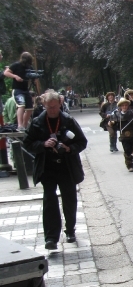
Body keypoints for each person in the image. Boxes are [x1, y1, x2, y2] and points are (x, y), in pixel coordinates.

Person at [23, 91, 88, 250]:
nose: (52, 110)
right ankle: (51, 237)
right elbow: (28, 143)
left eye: (54, 107)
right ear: (44, 105)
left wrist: (68, 148)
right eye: (48, 107)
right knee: (49, 200)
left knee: (69, 198)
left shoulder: (68, 121)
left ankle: (70, 230)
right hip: (47, 167)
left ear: (60, 104)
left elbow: (82, 142)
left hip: (66, 166)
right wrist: (43, 144)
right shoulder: (38, 122)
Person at [3, 51, 34, 131]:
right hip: (17, 89)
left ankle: (24, 125)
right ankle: (19, 125)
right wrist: (15, 76)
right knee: (21, 105)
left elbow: (32, 76)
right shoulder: (16, 65)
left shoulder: (29, 67)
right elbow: (6, 72)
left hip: (25, 89)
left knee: (30, 108)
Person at [109, 98, 133, 172]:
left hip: (132, 135)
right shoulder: (117, 115)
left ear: (128, 106)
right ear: (120, 106)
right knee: (127, 150)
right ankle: (130, 165)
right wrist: (111, 123)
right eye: (123, 105)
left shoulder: (131, 113)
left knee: (131, 148)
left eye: (126, 105)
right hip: (124, 136)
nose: (124, 107)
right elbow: (114, 125)